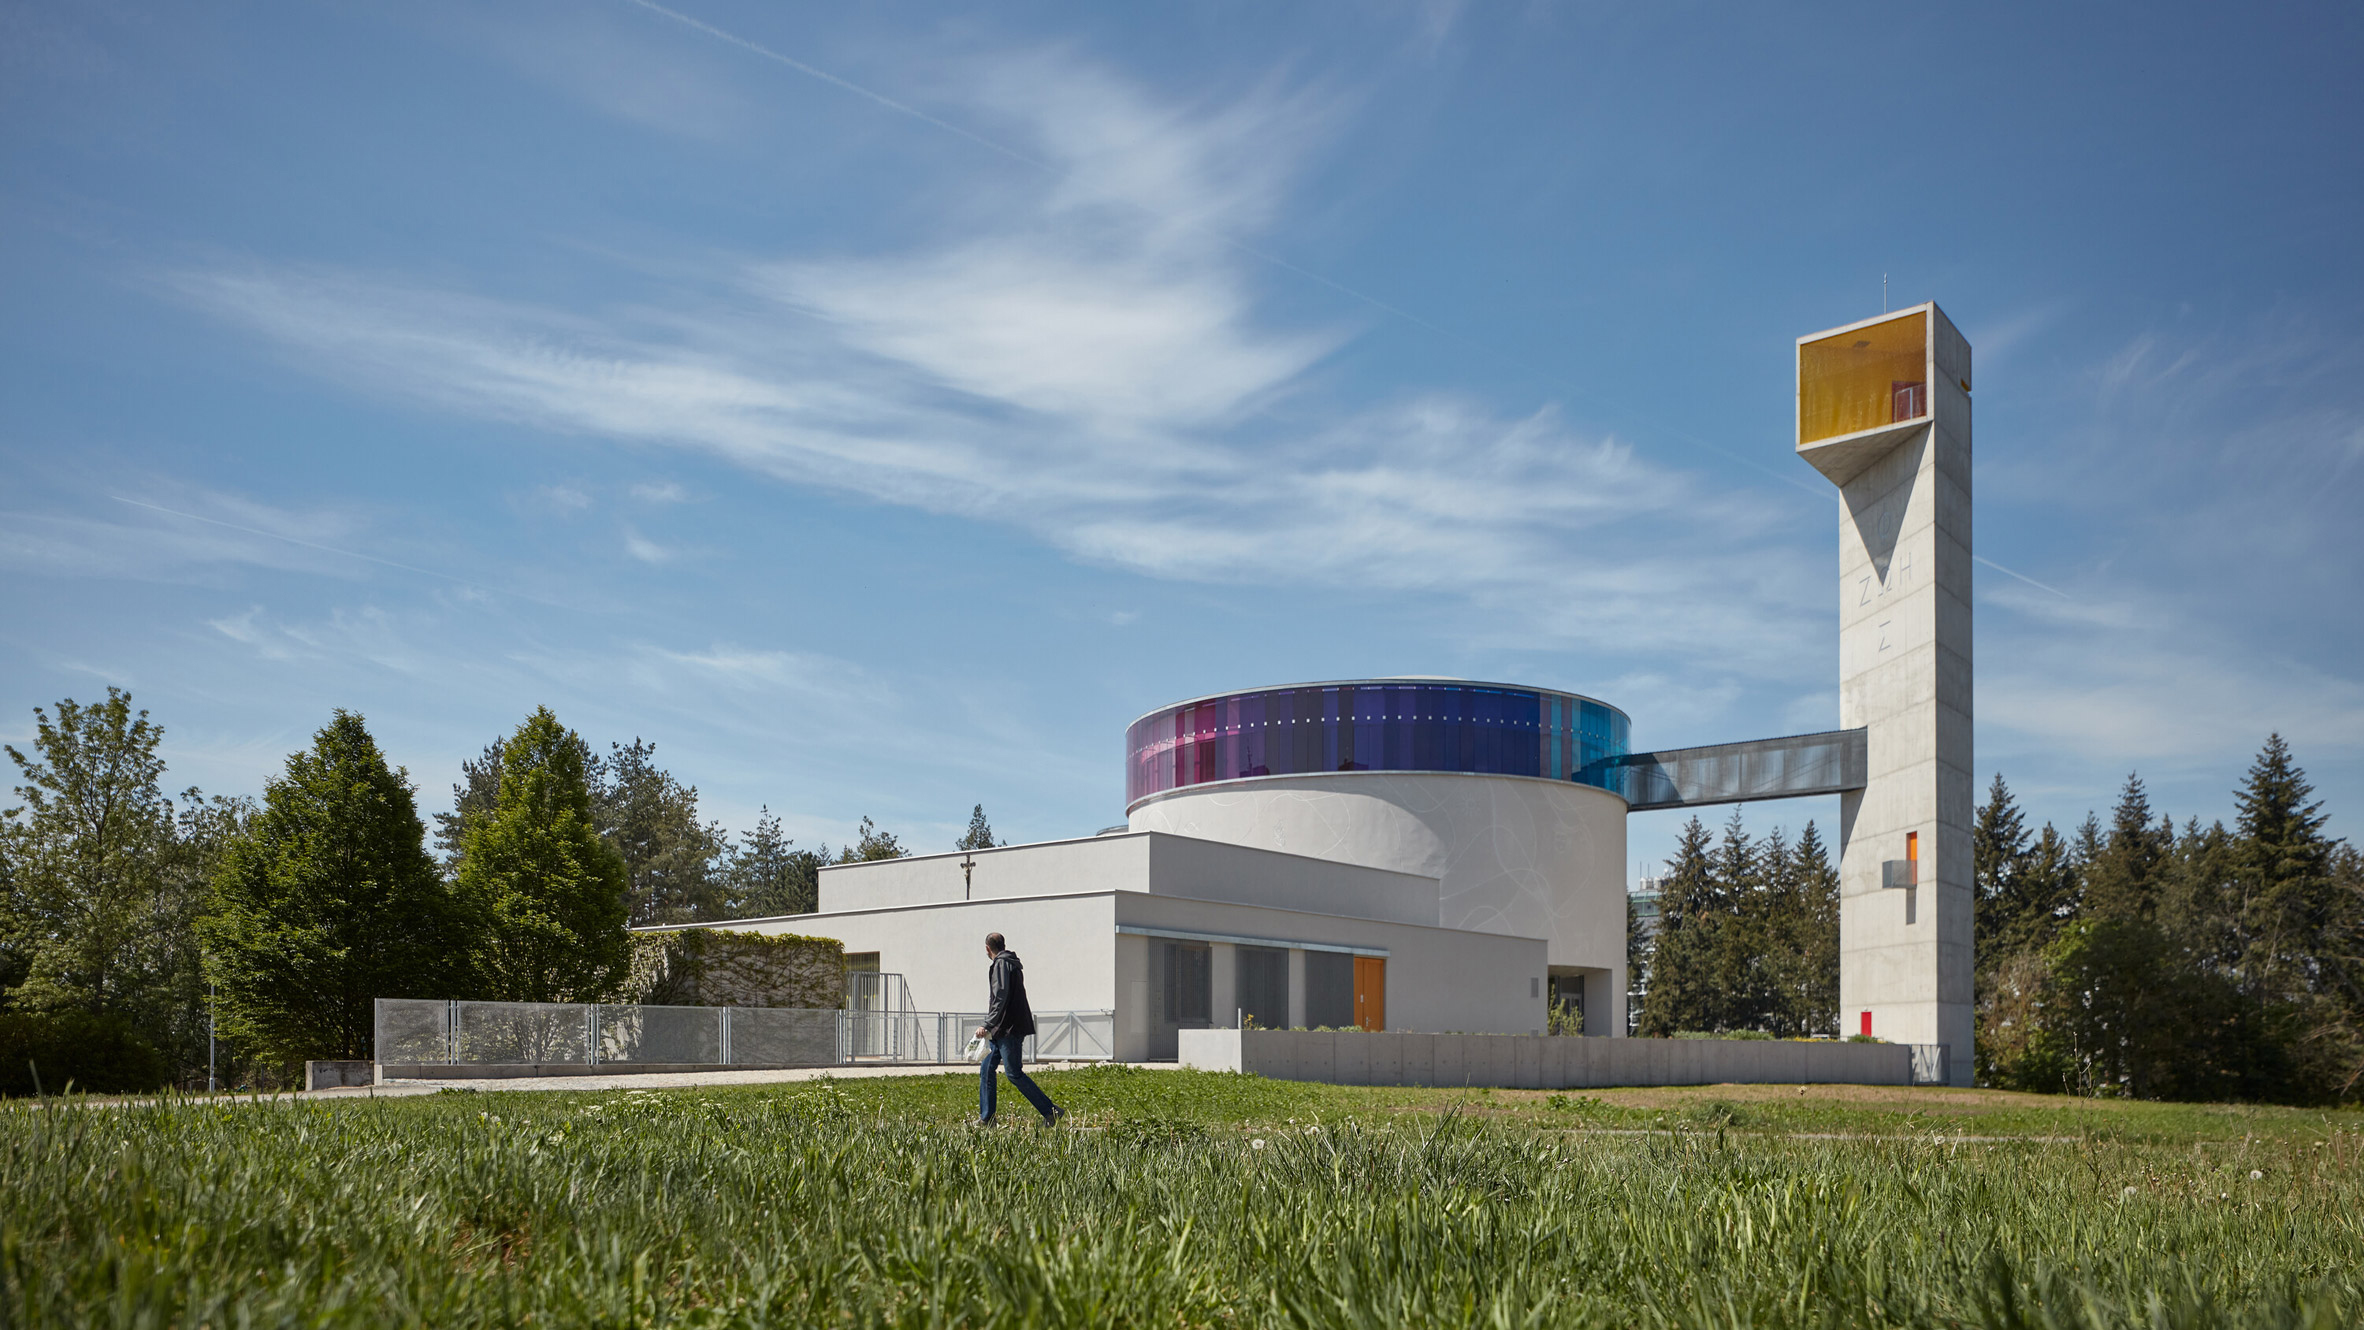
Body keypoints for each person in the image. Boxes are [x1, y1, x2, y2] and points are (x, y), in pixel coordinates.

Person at [975, 932, 1064, 1126]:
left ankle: (1051, 1111)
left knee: (1014, 1073)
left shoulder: (1001, 965)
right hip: (1003, 1028)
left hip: (1009, 1028)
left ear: (987, 948)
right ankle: (987, 1118)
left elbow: (1000, 997)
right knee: (986, 1068)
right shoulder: (1011, 963)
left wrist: (987, 1023)